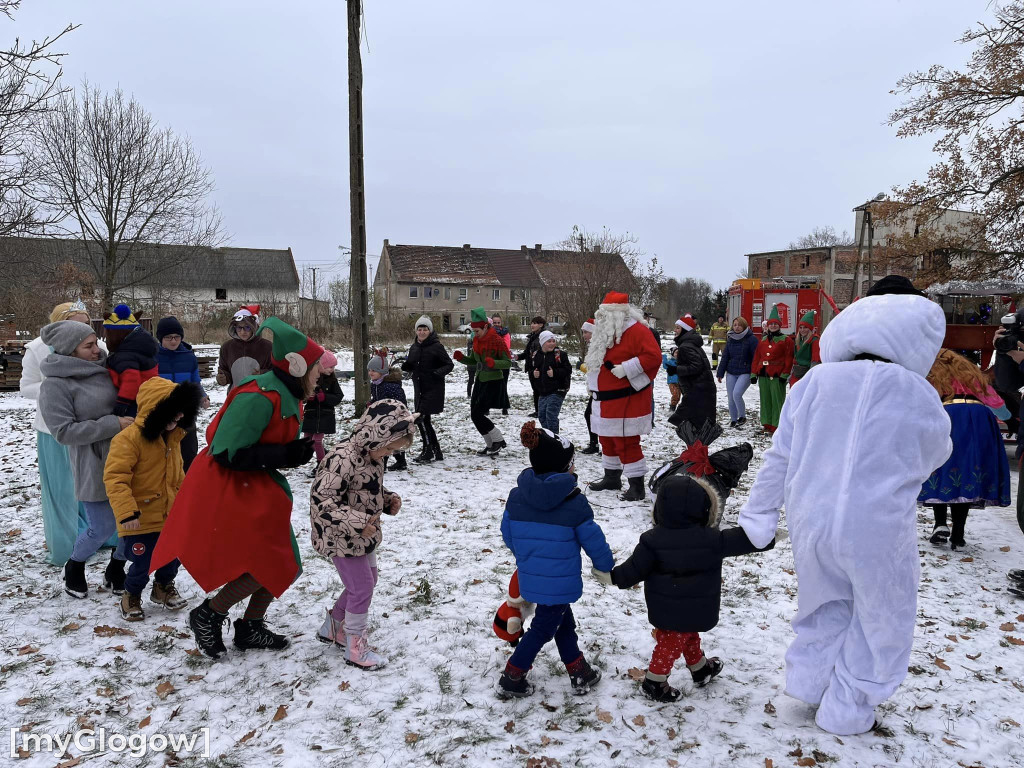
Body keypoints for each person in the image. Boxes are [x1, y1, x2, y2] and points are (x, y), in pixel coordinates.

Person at [738, 292, 953, 735]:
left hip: (810, 518)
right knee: (883, 615)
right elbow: (937, 451)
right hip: (876, 525)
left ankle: (809, 685)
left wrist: (759, 513)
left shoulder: (814, 383)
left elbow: (780, 455)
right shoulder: (918, 393)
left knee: (822, 603)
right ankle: (849, 707)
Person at [150, 317, 322, 659]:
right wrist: (283, 454)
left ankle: (249, 627)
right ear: (298, 367)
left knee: (285, 561)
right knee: (268, 561)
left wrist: (288, 454)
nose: (321, 375)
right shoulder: (260, 396)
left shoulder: (286, 391)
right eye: (317, 369)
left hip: (254, 482)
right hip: (227, 486)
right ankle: (208, 615)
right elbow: (226, 451)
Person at [595, 473, 775, 701]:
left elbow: (634, 569)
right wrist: (768, 538)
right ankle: (654, 681)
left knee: (686, 633)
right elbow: (743, 540)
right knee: (673, 640)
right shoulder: (713, 539)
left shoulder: (652, 540)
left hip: (666, 607)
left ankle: (700, 669)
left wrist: (613, 577)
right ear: (705, 508)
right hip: (697, 604)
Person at [497, 422, 613, 698]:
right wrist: (605, 566)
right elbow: (593, 539)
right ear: (565, 467)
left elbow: (508, 532)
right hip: (560, 580)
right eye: (572, 462)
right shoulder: (574, 501)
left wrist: (525, 555)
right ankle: (512, 675)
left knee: (562, 621)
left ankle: (578, 668)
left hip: (531, 575)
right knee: (542, 628)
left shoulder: (517, 496)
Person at [311, 399, 416, 669]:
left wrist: (387, 499)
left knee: (369, 579)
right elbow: (323, 501)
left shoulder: (371, 456)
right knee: (362, 588)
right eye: (389, 448)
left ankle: (334, 626)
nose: (389, 454)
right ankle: (355, 645)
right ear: (376, 435)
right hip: (339, 535)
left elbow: (365, 491)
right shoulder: (342, 458)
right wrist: (358, 522)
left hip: (360, 534)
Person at [38, 320, 133, 598]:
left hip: (128, 457)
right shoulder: (55, 385)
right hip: (92, 462)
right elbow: (63, 432)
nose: (97, 349)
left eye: (96, 342)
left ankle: (116, 568)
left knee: (132, 522)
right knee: (101, 527)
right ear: (70, 350)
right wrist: (112, 424)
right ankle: (75, 565)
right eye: (88, 346)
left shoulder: (107, 368)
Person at [103, 378, 202, 621]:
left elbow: (178, 477)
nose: (178, 418)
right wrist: (127, 512)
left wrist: (187, 505)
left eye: (181, 413)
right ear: (155, 410)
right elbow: (116, 478)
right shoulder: (128, 440)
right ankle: (132, 594)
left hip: (171, 515)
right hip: (141, 518)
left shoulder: (174, 438)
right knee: (142, 562)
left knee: (171, 558)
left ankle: (163, 587)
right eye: (172, 412)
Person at [20, 301, 107, 566]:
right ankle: (66, 544)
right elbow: (26, 387)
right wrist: (59, 391)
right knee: (62, 490)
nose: (82, 328)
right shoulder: (37, 349)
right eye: (76, 322)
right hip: (54, 430)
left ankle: (101, 536)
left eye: (86, 323)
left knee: (94, 486)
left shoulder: (97, 348)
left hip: (93, 429)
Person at [918, 349, 1011, 550]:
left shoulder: (933, 376)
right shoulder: (973, 376)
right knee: (968, 470)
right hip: (979, 420)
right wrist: (1009, 416)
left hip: (948, 414)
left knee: (941, 467)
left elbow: (924, 402)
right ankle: (958, 536)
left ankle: (940, 524)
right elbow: (998, 406)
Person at [586, 292, 662, 501]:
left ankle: (636, 486)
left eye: (604, 313)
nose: (600, 317)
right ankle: (612, 477)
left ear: (617, 314)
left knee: (626, 441)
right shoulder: (606, 332)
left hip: (625, 399)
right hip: (604, 398)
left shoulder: (637, 330)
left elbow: (654, 357)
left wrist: (627, 368)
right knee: (606, 439)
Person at [453, 307, 513, 455]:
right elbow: (474, 360)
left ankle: (498, 439)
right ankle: (491, 444)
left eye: (477, 331)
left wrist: (494, 363)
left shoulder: (497, 340)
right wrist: (462, 358)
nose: (475, 334)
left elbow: (507, 362)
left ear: (485, 327)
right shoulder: (477, 340)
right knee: (474, 415)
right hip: (480, 380)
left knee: (478, 414)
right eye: (474, 331)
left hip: (493, 381)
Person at [155, 316, 211, 472]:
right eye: (168, 337)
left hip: (186, 412)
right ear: (160, 338)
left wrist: (202, 396)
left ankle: (187, 485)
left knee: (189, 452)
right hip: (162, 412)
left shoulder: (189, 357)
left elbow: (195, 382)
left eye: (177, 337)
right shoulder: (154, 357)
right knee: (163, 453)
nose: (173, 341)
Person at [402, 316, 453, 463]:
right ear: (416, 331)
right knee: (425, 420)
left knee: (421, 419)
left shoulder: (436, 346)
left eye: (425, 329)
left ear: (430, 331)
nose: (422, 332)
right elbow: (412, 364)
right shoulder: (414, 347)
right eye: (419, 329)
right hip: (419, 389)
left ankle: (428, 450)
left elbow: (449, 365)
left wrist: (437, 373)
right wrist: (407, 366)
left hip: (433, 388)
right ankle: (437, 451)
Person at [104, 305, 159, 418]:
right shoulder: (138, 348)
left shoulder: (126, 355)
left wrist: (122, 403)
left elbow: (132, 380)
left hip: (133, 401)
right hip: (146, 397)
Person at [668, 314, 717, 434]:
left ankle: (697, 451)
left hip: (698, 390)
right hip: (701, 390)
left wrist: (676, 370)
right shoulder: (690, 344)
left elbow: (697, 366)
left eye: (678, 328)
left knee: (696, 427)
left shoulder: (686, 347)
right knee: (699, 427)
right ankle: (697, 451)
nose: (675, 330)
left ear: (685, 330)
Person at [750, 305, 793, 433]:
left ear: (780, 325)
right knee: (765, 400)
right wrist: (753, 373)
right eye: (771, 324)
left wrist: (785, 374)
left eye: (775, 324)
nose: (773, 326)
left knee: (777, 400)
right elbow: (757, 357)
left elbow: (789, 358)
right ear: (767, 326)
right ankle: (767, 423)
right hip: (763, 373)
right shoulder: (763, 340)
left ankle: (777, 425)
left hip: (777, 375)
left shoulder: (786, 340)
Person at [367, 350, 409, 471]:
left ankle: (386, 463)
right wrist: (372, 403)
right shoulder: (375, 384)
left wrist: (395, 413)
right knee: (384, 439)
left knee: (389, 439)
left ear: (382, 372)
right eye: (369, 370)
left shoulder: (391, 385)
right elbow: (377, 398)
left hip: (394, 416)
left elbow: (400, 401)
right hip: (381, 416)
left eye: (373, 370)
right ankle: (398, 461)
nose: (370, 373)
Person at [216, 305, 273, 393]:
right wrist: (223, 378)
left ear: (254, 327)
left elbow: (276, 372)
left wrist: (262, 373)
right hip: (235, 397)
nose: (242, 332)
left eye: (247, 327)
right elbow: (224, 370)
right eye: (239, 328)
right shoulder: (227, 348)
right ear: (234, 328)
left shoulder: (267, 347)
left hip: (261, 397)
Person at [302, 351, 344, 466]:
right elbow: (301, 395)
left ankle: (322, 463)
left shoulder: (332, 381)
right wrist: (307, 397)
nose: (332, 369)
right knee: (308, 441)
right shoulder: (310, 378)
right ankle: (327, 458)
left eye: (333, 367)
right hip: (311, 414)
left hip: (325, 415)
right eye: (330, 366)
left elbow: (338, 396)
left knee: (317, 441)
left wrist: (325, 397)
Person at [717, 316, 759, 428]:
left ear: (744, 326)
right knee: (731, 397)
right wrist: (720, 373)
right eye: (735, 325)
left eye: (739, 325)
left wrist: (754, 373)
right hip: (731, 371)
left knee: (737, 394)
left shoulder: (751, 339)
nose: (737, 327)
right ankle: (733, 420)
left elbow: (756, 357)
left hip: (745, 371)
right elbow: (725, 357)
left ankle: (742, 416)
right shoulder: (731, 339)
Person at [531, 330, 572, 433]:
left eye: (553, 341)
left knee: (551, 415)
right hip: (543, 391)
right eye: (548, 341)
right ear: (542, 343)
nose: (552, 343)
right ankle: (548, 436)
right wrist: (533, 373)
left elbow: (568, 369)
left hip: (558, 390)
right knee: (542, 416)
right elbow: (531, 368)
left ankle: (554, 439)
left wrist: (555, 373)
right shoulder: (536, 355)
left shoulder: (560, 355)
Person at [578, 318, 600, 455]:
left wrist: (581, 366)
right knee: (590, 415)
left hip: (601, 389)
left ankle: (596, 444)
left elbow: (595, 369)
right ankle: (595, 444)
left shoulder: (598, 347)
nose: (584, 335)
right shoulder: (593, 346)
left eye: (586, 332)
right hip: (596, 389)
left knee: (591, 415)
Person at [520, 316, 548, 417]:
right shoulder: (533, 337)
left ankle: (541, 411)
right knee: (535, 390)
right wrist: (517, 357)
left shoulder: (542, 337)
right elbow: (527, 353)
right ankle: (538, 411)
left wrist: (539, 367)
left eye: (535, 323)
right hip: (531, 368)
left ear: (541, 325)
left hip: (538, 368)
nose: (532, 325)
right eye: (531, 323)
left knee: (539, 390)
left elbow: (542, 354)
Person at [789, 311, 821, 387]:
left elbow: (815, 361)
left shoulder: (815, 340)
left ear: (810, 329)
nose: (802, 330)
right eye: (800, 328)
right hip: (796, 374)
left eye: (805, 327)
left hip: (806, 374)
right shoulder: (798, 340)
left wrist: (810, 378)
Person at [492, 314, 513, 415]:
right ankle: (487, 407)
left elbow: (506, 347)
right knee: (489, 385)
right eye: (494, 322)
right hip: (491, 363)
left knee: (503, 385)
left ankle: (504, 407)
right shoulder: (487, 333)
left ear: (501, 323)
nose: (496, 324)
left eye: (498, 322)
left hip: (503, 362)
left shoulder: (506, 333)